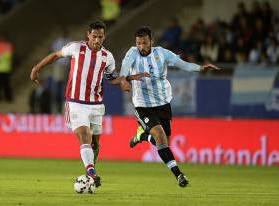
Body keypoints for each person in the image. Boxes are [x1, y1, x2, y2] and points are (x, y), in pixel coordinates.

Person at [30, 21, 148, 188]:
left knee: (95, 144)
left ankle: (90, 170)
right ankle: (92, 172)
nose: (97, 40)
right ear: (88, 35)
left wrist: (123, 81)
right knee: (84, 134)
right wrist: (36, 68)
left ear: (104, 36)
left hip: (96, 104)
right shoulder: (76, 48)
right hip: (75, 102)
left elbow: (110, 78)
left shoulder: (108, 57)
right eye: (94, 36)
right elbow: (56, 55)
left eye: (100, 37)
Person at [120, 26, 220, 187]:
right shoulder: (132, 53)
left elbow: (184, 65)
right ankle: (179, 175)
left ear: (151, 41)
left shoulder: (162, 53)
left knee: (164, 142)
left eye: (144, 43)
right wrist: (124, 80)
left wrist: (201, 68)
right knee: (159, 136)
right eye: (138, 43)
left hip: (163, 103)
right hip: (142, 105)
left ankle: (142, 136)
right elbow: (123, 72)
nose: (141, 47)